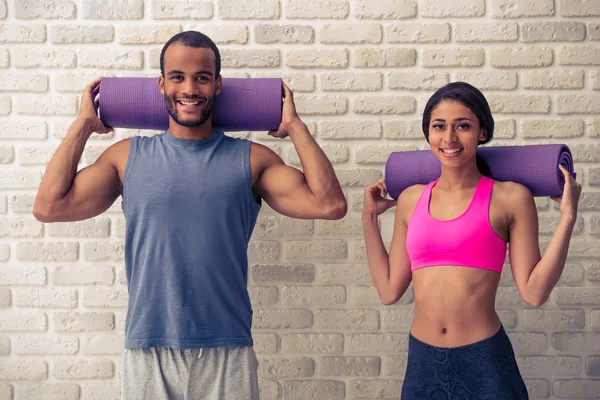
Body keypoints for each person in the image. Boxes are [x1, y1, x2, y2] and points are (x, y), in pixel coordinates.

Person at [33, 31, 347, 400]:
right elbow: (49, 207)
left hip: (226, 346)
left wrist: (295, 127)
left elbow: (330, 205)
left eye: (202, 77)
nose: (190, 88)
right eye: (178, 77)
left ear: (217, 85)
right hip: (149, 345)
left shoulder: (252, 160)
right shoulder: (126, 157)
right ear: (162, 84)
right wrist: (83, 125)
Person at [361, 82, 581, 399]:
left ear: (482, 132)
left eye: (462, 126)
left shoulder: (510, 198)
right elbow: (388, 290)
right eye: (439, 126)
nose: (449, 138)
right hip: (423, 362)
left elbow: (534, 293)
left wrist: (568, 218)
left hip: (484, 361)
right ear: (428, 134)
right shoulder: (410, 200)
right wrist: (369, 218)